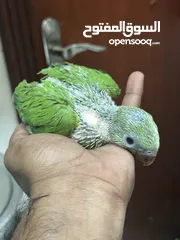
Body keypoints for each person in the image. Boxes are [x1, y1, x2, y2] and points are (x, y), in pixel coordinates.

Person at [4, 71, 144, 240]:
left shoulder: (108, 89)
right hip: (53, 100)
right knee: (63, 121)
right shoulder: (63, 121)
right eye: (129, 140)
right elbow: (21, 92)